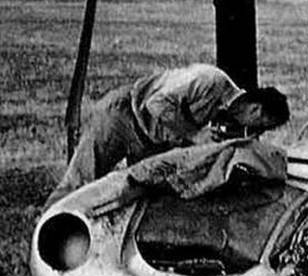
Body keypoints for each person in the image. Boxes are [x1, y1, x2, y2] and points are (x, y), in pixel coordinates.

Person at [47, 63, 289, 205]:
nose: (255, 132)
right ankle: (46, 228)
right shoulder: (209, 80)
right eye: (260, 125)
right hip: (123, 116)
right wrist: (195, 135)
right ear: (256, 110)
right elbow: (156, 104)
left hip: (151, 140)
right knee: (80, 182)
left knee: (144, 192)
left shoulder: (228, 116)